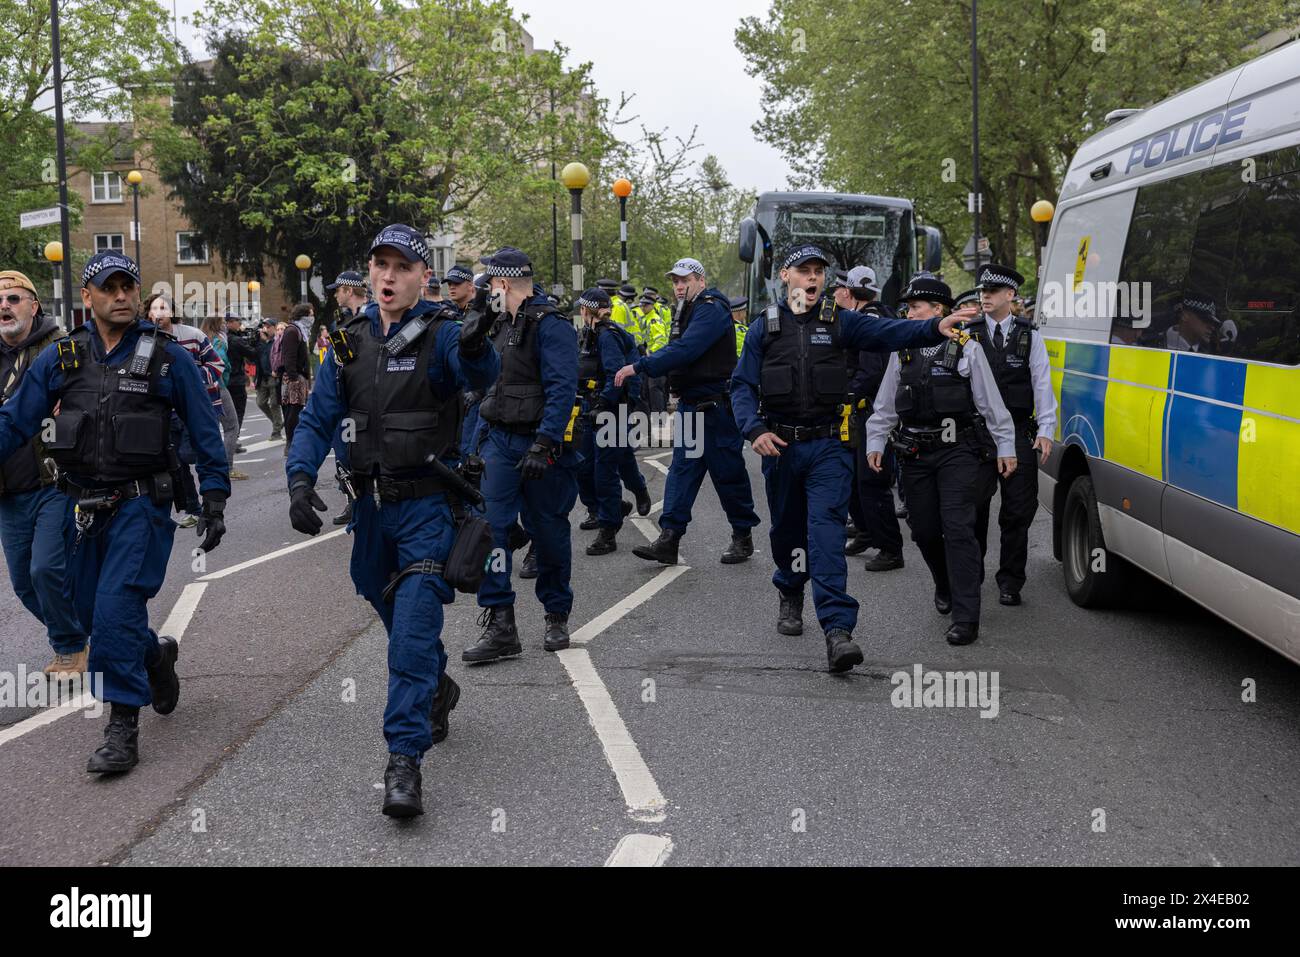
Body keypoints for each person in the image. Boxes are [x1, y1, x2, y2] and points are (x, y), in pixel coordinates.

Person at [285, 224, 498, 817]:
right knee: (385, 604)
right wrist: (299, 478)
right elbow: (317, 418)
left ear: (422, 276)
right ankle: (438, 686)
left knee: (409, 635)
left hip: (430, 508)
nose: (387, 276)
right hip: (372, 513)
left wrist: (479, 349)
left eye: (401, 267)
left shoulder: (444, 334)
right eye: (380, 265)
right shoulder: (349, 341)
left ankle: (404, 760)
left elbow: (479, 374)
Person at [0, 252, 229, 773]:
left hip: (141, 504)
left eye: (129, 286)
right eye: (110, 288)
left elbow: (202, 428)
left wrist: (214, 497)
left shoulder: (169, 359)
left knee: (115, 608)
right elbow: (13, 422)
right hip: (77, 505)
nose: (122, 295)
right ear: (88, 297)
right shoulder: (62, 357)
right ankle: (154, 656)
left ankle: (121, 725)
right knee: (85, 613)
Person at [732, 248, 964, 671]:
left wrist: (934, 327)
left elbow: (892, 334)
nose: (813, 278)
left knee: (825, 536)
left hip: (829, 449)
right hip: (780, 448)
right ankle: (789, 591)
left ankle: (838, 631)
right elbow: (742, 387)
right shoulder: (763, 328)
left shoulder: (840, 322)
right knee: (787, 532)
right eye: (804, 270)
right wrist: (754, 429)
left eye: (820, 272)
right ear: (786, 275)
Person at [865, 274, 1017, 646]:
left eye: (915, 307)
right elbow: (885, 405)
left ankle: (966, 617)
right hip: (916, 454)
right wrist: (875, 441)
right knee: (924, 531)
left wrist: (1006, 447)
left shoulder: (967, 347)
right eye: (908, 307)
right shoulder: (901, 351)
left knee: (959, 529)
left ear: (938, 311)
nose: (909, 313)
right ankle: (945, 582)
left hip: (958, 453)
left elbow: (990, 404)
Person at [461, 247, 580, 663]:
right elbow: (489, 389)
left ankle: (556, 612)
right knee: (491, 530)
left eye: (489, 285)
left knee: (548, 532)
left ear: (504, 283)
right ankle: (501, 623)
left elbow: (563, 388)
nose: (487, 292)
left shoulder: (551, 326)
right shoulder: (499, 325)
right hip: (499, 441)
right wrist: (476, 445)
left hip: (539, 448)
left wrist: (545, 443)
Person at [614, 257, 759, 565]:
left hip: (716, 410)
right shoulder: (686, 309)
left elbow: (687, 349)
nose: (679, 286)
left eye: (685, 280)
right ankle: (669, 538)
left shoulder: (711, 309)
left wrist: (639, 366)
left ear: (701, 281)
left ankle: (742, 535)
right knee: (681, 472)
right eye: (676, 281)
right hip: (692, 408)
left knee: (728, 475)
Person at [0, 270, 89, 679]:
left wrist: (69, 406)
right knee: (23, 583)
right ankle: (87, 634)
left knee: (46, 568)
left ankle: (72, 647)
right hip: (9, 490)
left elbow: (89, 396)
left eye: (14, 299)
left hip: (54, 481)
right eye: (1, 301)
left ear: (34, 306)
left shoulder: (60, 348)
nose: (5, 306)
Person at [968, 263, 1057, 607]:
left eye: (992, 292)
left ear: (1010, 296)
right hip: (977, 434)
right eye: (982, 291)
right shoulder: (968, 331)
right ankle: (969, 574)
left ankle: (1010, 580)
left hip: (1019, 432)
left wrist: (1046, 429)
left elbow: (1042, 383)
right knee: (973, 508)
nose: (985, 296)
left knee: (1018, 510)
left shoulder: (1028, 334)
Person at [833, 266, 905, 572]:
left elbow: (871, 370)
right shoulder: (870, 316)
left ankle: (890, 548)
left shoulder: (870, 320)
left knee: (871, 481)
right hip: (858, 412)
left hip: (869, 413)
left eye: (837, 290)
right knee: (850, 478)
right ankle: (864, 531)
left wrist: (846, 393)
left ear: (848, 292)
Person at [573, 288, 651, 555]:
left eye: (582, 309)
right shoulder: (590, 335)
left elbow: (616, 375)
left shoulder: (607, 336)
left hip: (610, 410)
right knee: (588, 464)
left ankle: (608, 531)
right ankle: (621, 500)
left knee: (605, 469)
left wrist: (604, 403)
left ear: (588, 310)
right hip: (592, 407)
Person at [146, 295, 225, 527]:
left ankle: (213, 506)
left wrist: (191, 382)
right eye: (154, 309)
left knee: (199, 456)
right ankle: (193, 508)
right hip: (168, 412)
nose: (159, 313)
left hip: (200, 407)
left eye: (163, 308)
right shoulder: (145, 340)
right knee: (177, 462)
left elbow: (217, 364)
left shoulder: (193, 335)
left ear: (172, 311)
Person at [201, 315, 247, 481]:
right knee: (231, 427)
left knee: (211, 427)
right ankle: (228, 467)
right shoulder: (219, 341)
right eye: (222, 323)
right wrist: (226, 369)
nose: (225, 325)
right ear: (216, 325)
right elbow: (221, 361)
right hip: (218, 386)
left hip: (202, 387)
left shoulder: (201, 339)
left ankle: (211, 467)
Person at [278, 303, 313, 453]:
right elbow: (289, 356)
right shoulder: (293, 331)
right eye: (310, 314)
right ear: (303, 316)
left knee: (295, 410)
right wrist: (294, 377)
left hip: (297, 376)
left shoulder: (300, 330)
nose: (312, 318)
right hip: (293, 377)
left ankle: (293, 442)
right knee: (293, 411)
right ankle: (291, 443)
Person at [223, 314, 256, 451]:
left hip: (223, 380)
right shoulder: (236, 340)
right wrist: (256, 341)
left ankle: (228, 440)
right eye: (238, 321)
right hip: (236, 380)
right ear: (230, 323)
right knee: (237, 412)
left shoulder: (220, 338)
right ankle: (232, 441)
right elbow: (253, 354)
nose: (239, 324)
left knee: (225, 413)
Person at [253, 319, 283, 440]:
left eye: (269, 326)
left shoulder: (277, 342)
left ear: (274, 328)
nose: (266, 329)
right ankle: (279, 423)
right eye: (265, 326)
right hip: (262, 377)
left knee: (274, 403)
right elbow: (253, 355)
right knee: (260, 402)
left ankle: (276, 431)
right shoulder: (261, 343)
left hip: (273, 376)